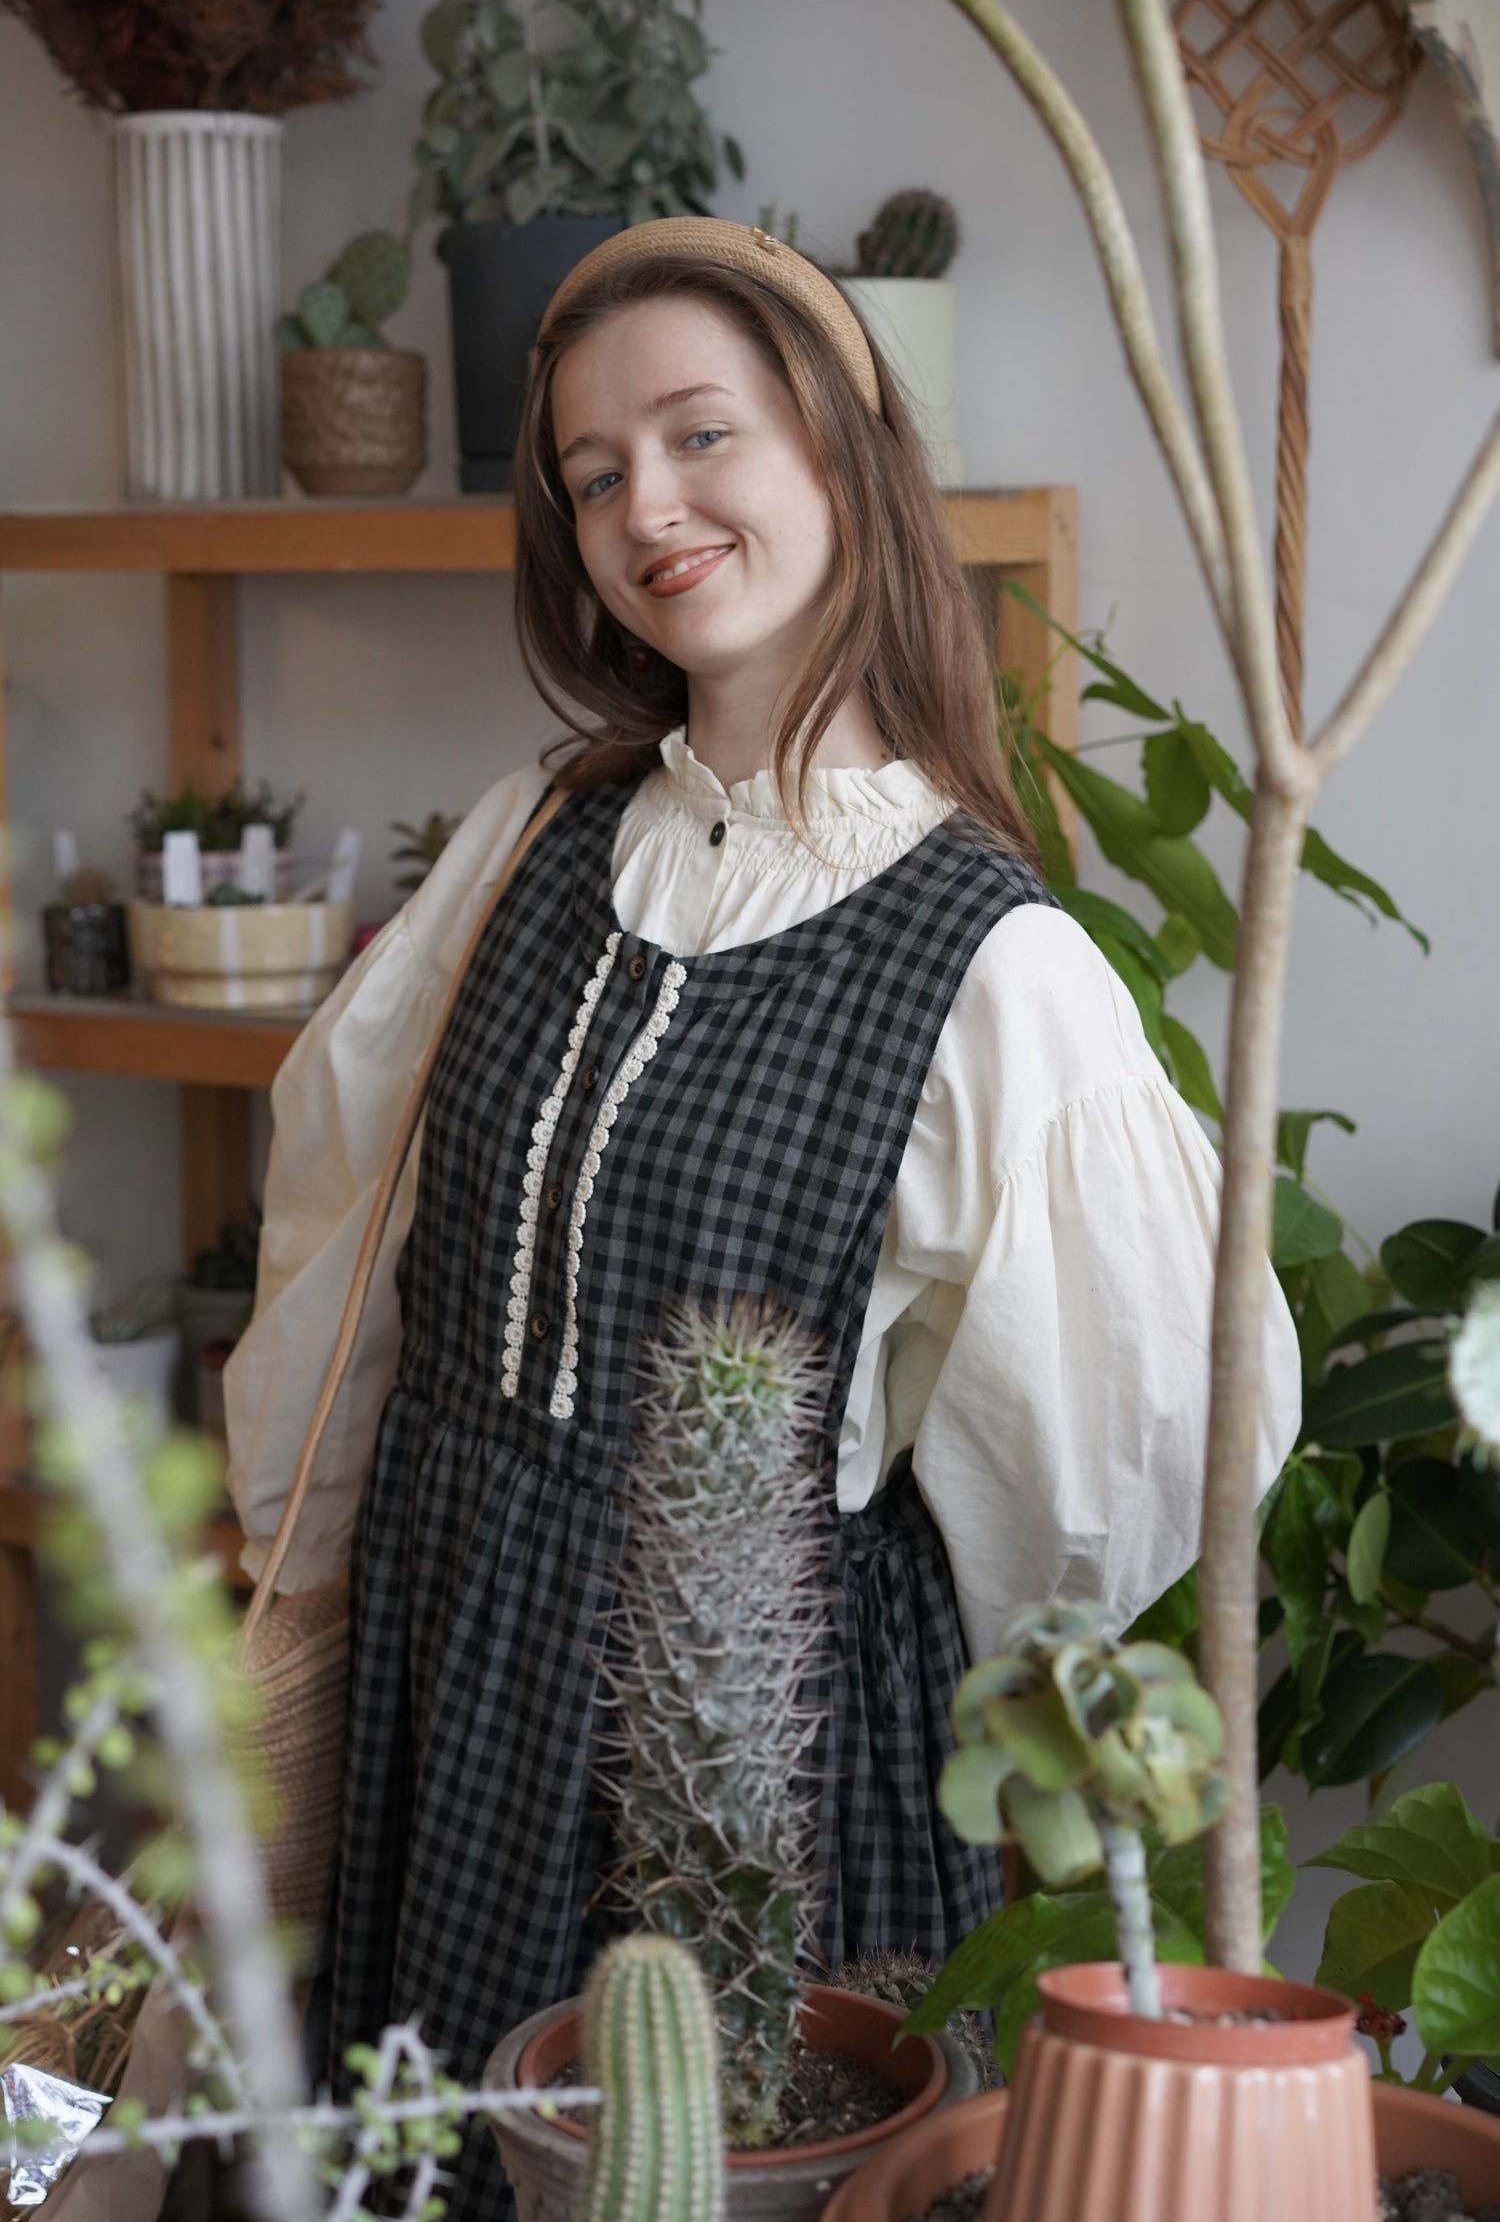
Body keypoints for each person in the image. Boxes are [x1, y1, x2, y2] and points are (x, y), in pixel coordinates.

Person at [224, 217, 1303, 2219]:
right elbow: (342, 1225)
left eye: (701, 433)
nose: (648, 504)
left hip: (746, 1772)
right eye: (593, 470)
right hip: (447, 1679)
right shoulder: (532, 841)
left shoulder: (1000, 969)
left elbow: (1110, 1483)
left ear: (839, 445)